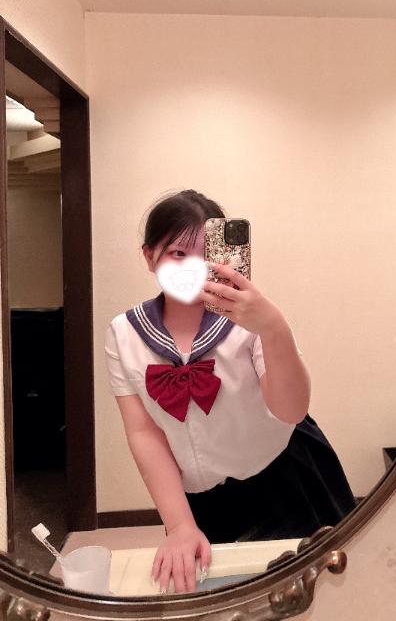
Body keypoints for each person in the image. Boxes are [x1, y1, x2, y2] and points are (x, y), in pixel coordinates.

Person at [105, 189, 356, 594]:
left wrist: (273, 327)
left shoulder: (250, 319)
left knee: (321, 595)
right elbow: (143, 431)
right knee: (229, 599)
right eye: (178, 254)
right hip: (200, 499)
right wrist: (179, 525)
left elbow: (291, 410)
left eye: (207, 255)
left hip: (285, 475)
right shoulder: (123, 334)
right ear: (149, 257)